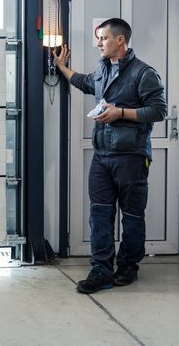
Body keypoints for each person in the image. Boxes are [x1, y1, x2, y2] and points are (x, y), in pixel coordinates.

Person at [53, 18, 167, 294]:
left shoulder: (144, 73)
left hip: (131, 157)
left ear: (120, 40)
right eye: (98, 38)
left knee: (131, 215)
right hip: (102, 156)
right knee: (100, 215)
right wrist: (61, 67)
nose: (99, 43)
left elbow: (158, 111)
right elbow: (85, 83)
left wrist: (121, 112)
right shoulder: (102, 70)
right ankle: (101, 271)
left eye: (103, 38)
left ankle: (128, 267)